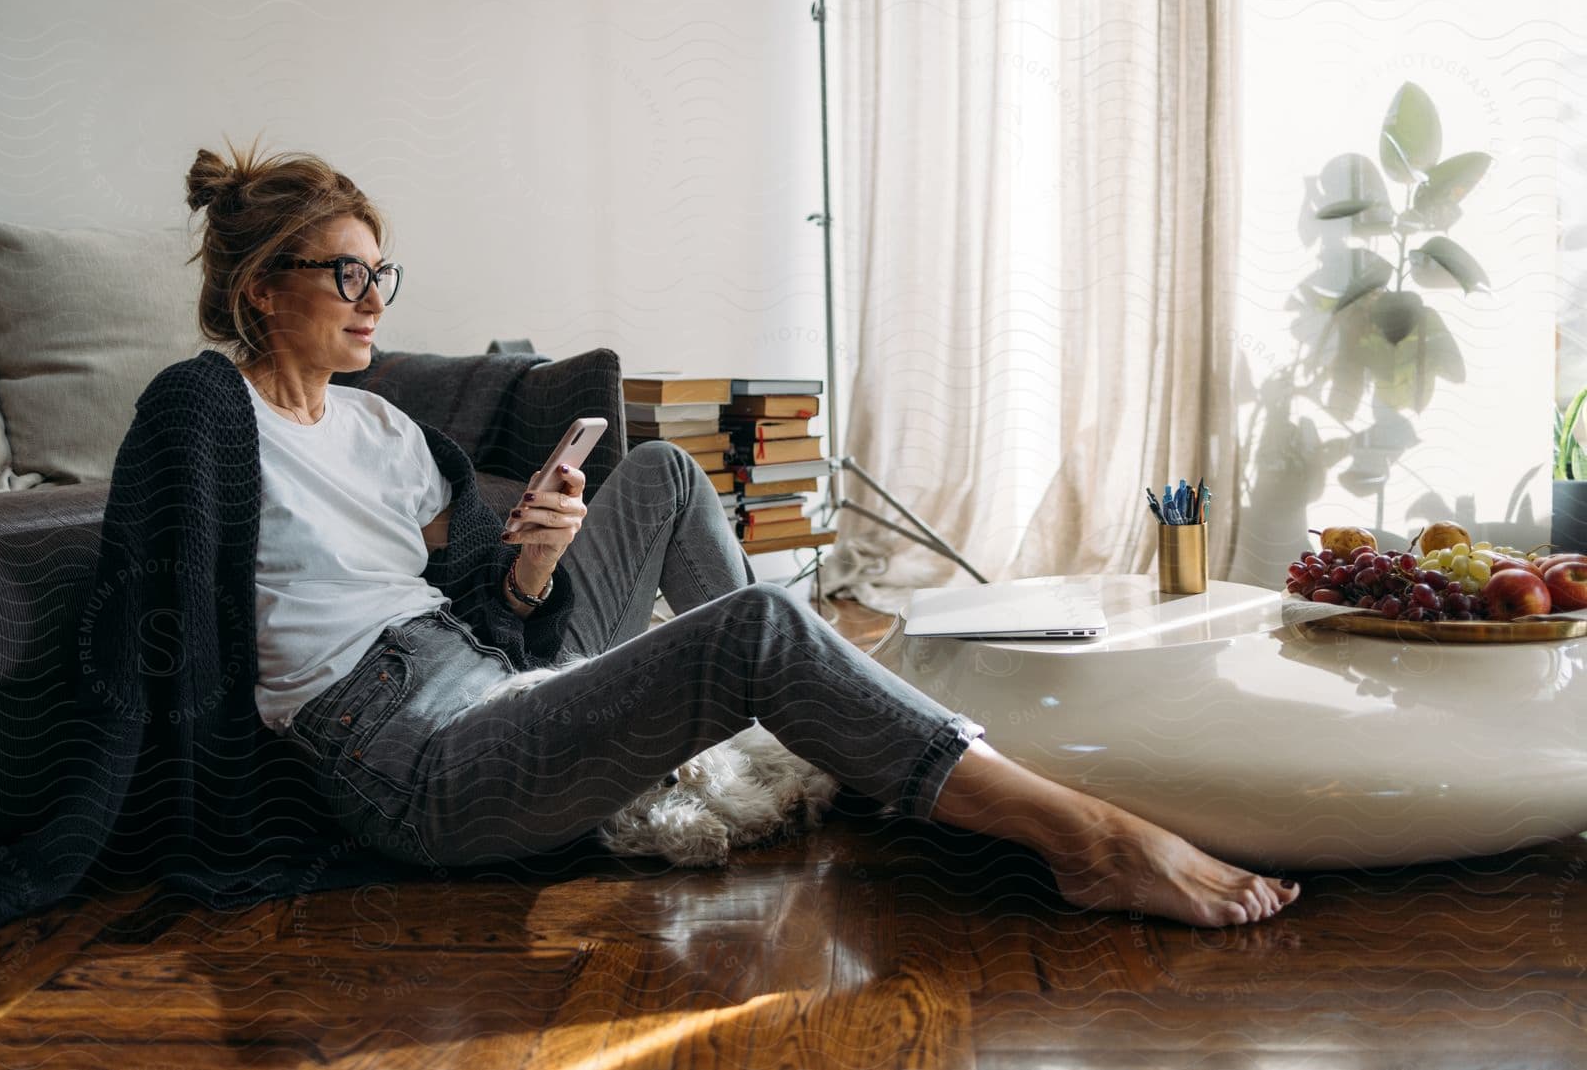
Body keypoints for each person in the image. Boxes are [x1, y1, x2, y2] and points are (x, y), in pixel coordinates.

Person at [186, 141, 1300, 928]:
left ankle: (857, 736)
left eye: (380, 270)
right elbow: (164, 613)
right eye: (346, 272)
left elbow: (501, 624)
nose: (373, 295)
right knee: (754, 629)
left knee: (665, 471)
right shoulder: (202, 415)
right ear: (260, 287)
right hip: (412, 768)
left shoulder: (385, 427)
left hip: (487, 683)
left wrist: (535, 559)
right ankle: (1088, 844)